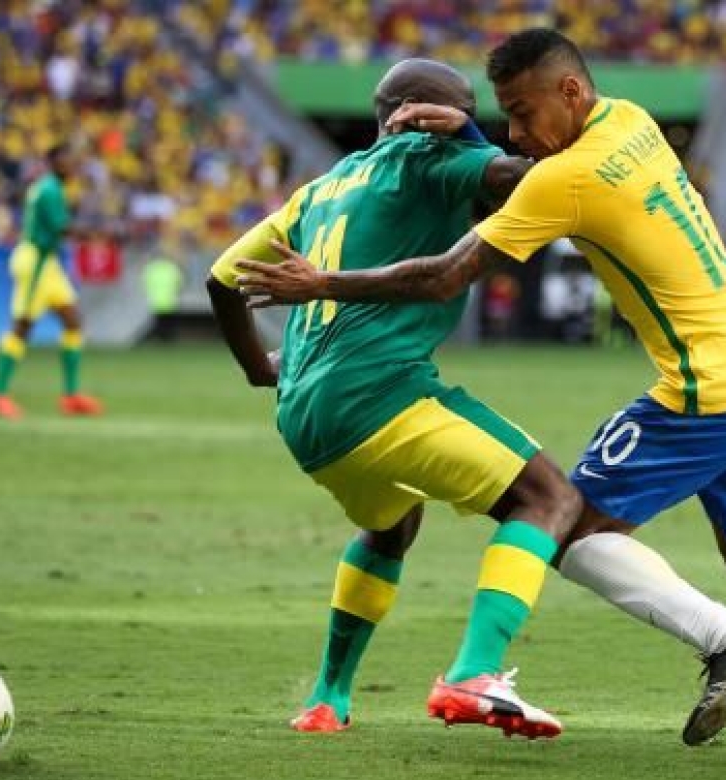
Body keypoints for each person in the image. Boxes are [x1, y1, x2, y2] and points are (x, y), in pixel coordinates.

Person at [238, 29, 726, 743]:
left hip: (708, 388)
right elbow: (525, 166)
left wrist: (321, 283)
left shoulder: (565, 180)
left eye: (522, 112)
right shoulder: (633, 120)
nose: (518, 133)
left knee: (566, 526)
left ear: (570, 92)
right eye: (504, 118)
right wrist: (479, 135)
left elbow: (444, 275)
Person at [208, 58, 582, 740]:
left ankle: (328, 698)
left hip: (304, 415)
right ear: (416, 116)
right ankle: (474, 672)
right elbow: (544, 181)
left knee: (391, 521)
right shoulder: (425, 156)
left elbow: (219, 279)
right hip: (379, 393)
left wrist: (260, 370)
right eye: (463, 107)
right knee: (547, 498)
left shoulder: (319, 189)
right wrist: (467, 135)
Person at [0, 144, 103, 419]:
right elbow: (63, 228)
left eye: (73, 160)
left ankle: (71, 396)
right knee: (22, 326)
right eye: (65, 160)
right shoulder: (49, 190)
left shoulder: (49, 187)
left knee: (73, 321)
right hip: (34, 261)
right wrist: (99, 233)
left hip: (47, 262)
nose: (71, 165)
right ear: (52, 163)